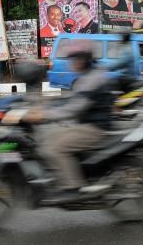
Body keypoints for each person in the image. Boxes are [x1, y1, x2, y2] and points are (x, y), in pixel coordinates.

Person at [22, 41, 115, 200]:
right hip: (84, 124)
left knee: (52, 148)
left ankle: (73, 186)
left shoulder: (91, 79)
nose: (71, 63)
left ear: (84, 60)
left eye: (75, 59)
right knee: (46, 139)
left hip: (94, 128)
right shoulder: (86, 76)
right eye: (71, 59)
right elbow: (69, 101)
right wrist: (44, 109)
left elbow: (73, 109)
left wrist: (43, 115)